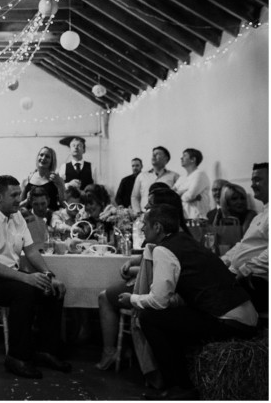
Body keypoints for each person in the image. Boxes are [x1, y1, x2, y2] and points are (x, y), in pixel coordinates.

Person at [119, 204, 257, 400]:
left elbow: (158, 301)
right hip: (248, 318)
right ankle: (183, 379)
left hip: (230, 322)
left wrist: (132, 299)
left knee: (149, 317)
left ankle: (179, 386)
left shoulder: (164, 250)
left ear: (157, 227)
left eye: (145, 225)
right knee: (172, 320)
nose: (142, 229)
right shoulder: (186, 241)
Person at [0, 175, 69, 379]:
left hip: (9, 274)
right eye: (14, 195)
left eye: (18, 193)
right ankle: (17, 357)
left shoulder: (17, 217)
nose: (19, 198)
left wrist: (48, 275)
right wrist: (26, 278)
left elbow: (32, 251)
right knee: (23, 292)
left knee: (51, 288)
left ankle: (46, 351)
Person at [94, 183, 187, 371]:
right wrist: (134, 261)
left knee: (104, 296)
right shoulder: (173, 232)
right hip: (155, 284)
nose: (145, 208)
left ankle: (110, 352)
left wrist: (132, 271)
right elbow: (148, 253)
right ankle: (126, 350)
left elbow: (158, 271)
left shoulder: (167, 238)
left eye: (150, 204)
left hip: (157, 290)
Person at [221, 163, 268, 313]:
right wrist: (221, 261)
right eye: (252, 180)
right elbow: (242, 245)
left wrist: (244, 270)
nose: (253, 185)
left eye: (258, 180)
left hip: (255, 279)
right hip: (241, 274)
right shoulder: (261, 215)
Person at [130, 146, 180, 215]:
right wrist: (138, 212)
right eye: (153, 154)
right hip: (145, 216)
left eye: (157, 154)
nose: (153, 156)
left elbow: (178, 197)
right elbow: (135, 197)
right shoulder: (142, 176)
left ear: (166, 158)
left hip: (166, 216)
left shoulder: (174, 176)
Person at [22, 146, 65, 212]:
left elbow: (63, 204)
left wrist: (60, 186)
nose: (43, 158)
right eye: (41, 155)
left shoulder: (57, 180)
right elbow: (19, 206)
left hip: (51, 218)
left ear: (52, 161)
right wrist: (26, 200)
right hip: (30, 219)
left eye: (47, 156)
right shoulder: (26, 180)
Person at [172, 148, 210, 220]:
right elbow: (171, 194)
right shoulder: (182, 178)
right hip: (184, 218)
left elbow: (190, 196)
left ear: (193, 159)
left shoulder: (200, 174)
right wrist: (184, 192)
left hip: (198, 219)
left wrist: (179, 194)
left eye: (185, 155)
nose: (181, 158)